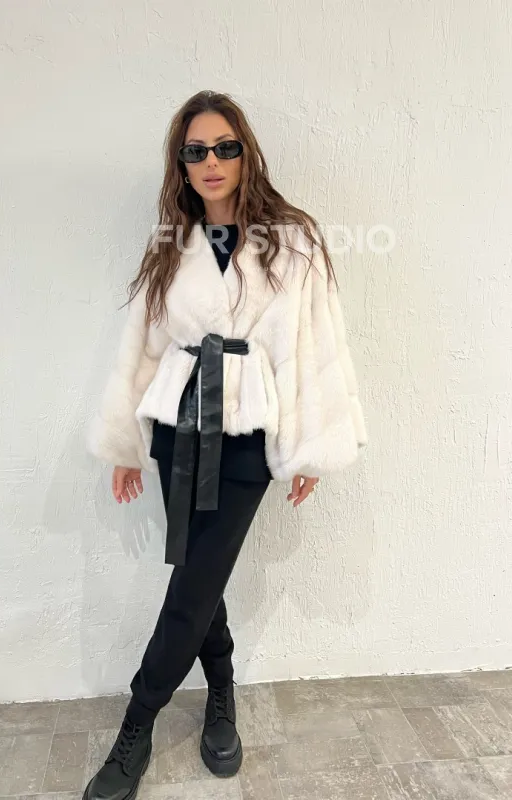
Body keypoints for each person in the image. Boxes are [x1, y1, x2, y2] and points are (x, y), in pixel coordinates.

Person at [83, 89, 367, 800]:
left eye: (225, 147)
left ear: (246, 154)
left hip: (246, 437)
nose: (211, 161)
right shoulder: (169, 244)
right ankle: (221, 691)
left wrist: (309, 448)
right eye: (196, 150)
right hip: (175, 427)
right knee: (197, 575)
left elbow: (314, 343)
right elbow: (143, 345)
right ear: (180, 163)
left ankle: (137, 723)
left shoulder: (293, 241)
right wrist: (126, 443)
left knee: (191, 586)